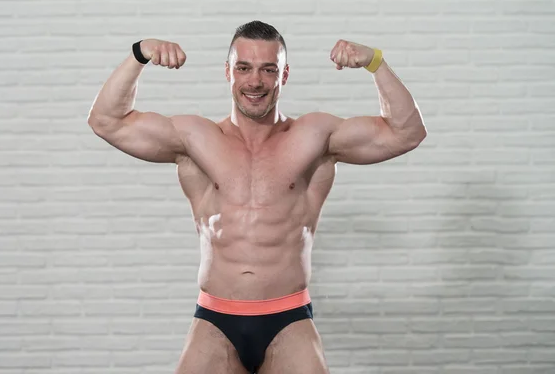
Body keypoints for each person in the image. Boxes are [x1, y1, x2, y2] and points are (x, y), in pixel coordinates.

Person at [87, 20, 427, 374]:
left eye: (269, 69)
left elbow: (407, 133)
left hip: (289, 319)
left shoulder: (314, 136)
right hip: (215, 320)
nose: (255, 81)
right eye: (243, 68)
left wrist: (376, 62)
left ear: (284, 75)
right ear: (228, 72)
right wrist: (139, 54)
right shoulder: (196, 137)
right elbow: (106, 121)